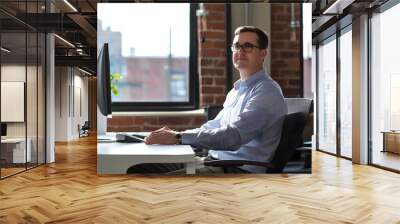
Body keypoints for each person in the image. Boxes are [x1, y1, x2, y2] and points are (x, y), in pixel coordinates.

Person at [129, 26, 287, 174]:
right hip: (213, 161)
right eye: (236, 46)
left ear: (263, 53)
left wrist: (178, 138)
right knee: (141, 166)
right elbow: (213, 126)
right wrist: (177, 135)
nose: (240, 51)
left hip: (236, 170)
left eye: (248, 46)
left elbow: (233, 137)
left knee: (149, 177)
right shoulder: (236, 91)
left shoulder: (266, 91)